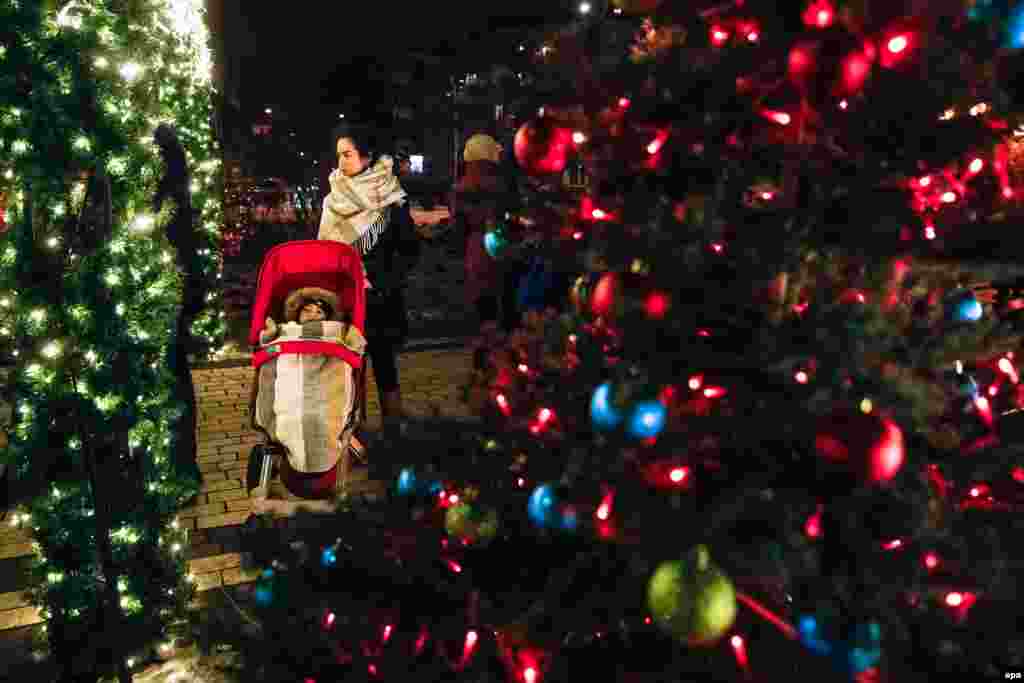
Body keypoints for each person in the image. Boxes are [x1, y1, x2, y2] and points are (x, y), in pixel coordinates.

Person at [318, 122, 420, 432]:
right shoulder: (333, 196)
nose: (341, 163)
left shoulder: (388, 196)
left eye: (347, 155)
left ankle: (393, 427)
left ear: (366, 156)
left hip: (380, 296)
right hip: (344, 296)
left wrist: (384, 281)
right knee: (348, 365)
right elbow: (324, 246)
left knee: (384, 362)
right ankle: (353, 430)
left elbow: (409, 249)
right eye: (339, 155)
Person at [453, 133, 521, 347]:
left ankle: (485, 355)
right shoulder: (503, 184)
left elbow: (458, 225)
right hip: (503, 246)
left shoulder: (462, 186)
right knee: (506, 302)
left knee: (483, 308)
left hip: (476, 248)